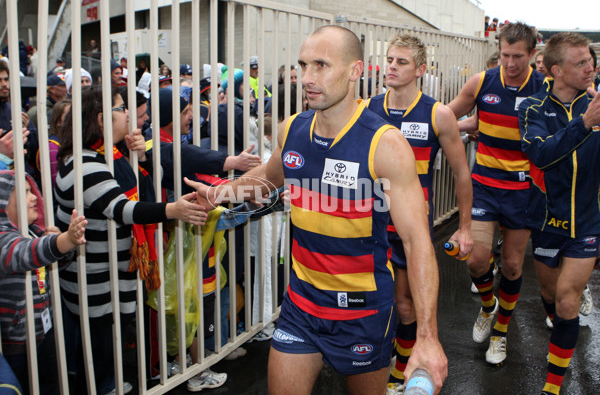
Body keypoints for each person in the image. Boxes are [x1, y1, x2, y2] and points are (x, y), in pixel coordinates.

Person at [186, 25, 447, 395]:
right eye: (303, 65)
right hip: (301, 306)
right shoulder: (292, 129)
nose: (307, 78)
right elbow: (268, 178)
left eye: (321, 65)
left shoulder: (385, 145)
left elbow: (418, 242)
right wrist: (221, 193)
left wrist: (428, 337)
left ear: (355, 70)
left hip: (364, 313)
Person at [54, 86, 208, 394]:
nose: (129, 114)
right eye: (122, 108)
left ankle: (108, 383)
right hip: (95, 280)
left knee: (106, 342)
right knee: (97, 348)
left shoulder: (107, 154)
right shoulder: (87, 164)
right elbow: (124, 209)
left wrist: (136, 155)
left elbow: (140, 184)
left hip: (108, 273)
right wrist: (174, 209)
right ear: (101, 119)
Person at [365, 34, 472, 394]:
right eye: (389, 60)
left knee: (406, 306)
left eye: (401, 62)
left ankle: (399, 376)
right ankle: (372, 366)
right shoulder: (366, 108)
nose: (391, 67)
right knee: (376, 305)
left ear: (421, 70)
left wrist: (466, 228)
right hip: (372, 223)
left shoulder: (437, 113)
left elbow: (460, 173)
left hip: (413, 226)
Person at [448, 22, 545, 365]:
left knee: (514, 266)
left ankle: (501, 333)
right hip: (485, 186)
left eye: (518, 56)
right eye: (505, 54)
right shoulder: (482, 81)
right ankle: (488, 307)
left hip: (523, 189)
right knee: (475, 259)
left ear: (533, 53)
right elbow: (446, 116)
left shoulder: (544, 87)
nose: (510, 62)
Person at [518, 32, 600, 395]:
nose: (590, 67)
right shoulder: (533, 108)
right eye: (580, 62)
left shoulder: (596, 101)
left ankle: (552, 387)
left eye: (591, 60)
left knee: (568, 298)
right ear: (556, 70)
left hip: (588, 221)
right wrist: (584, 123)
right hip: (547, 220)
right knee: (551, 299)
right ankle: (562, 326)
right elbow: (541, 154)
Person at [0, 170, 87, 395]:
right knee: (25, 386)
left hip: (43, 330)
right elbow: (23, 254)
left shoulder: (32, 231)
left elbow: (56, 259)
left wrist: (62, 245)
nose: (34, 198)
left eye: (32, 191)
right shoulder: (2, 237)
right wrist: (63, 241)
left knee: (49, 384)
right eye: (25, 192)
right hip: (15, 341)